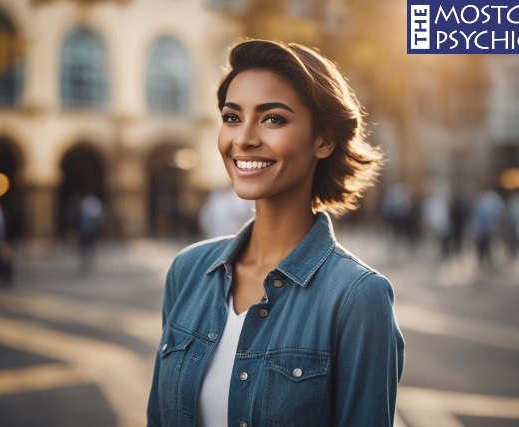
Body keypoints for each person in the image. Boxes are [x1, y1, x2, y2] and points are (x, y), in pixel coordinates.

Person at [147, 39, 405, 427]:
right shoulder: (187, 271)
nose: (243, 138)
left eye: (273, 119)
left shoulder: (357, 297)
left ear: (324, 139)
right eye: (232, 117)